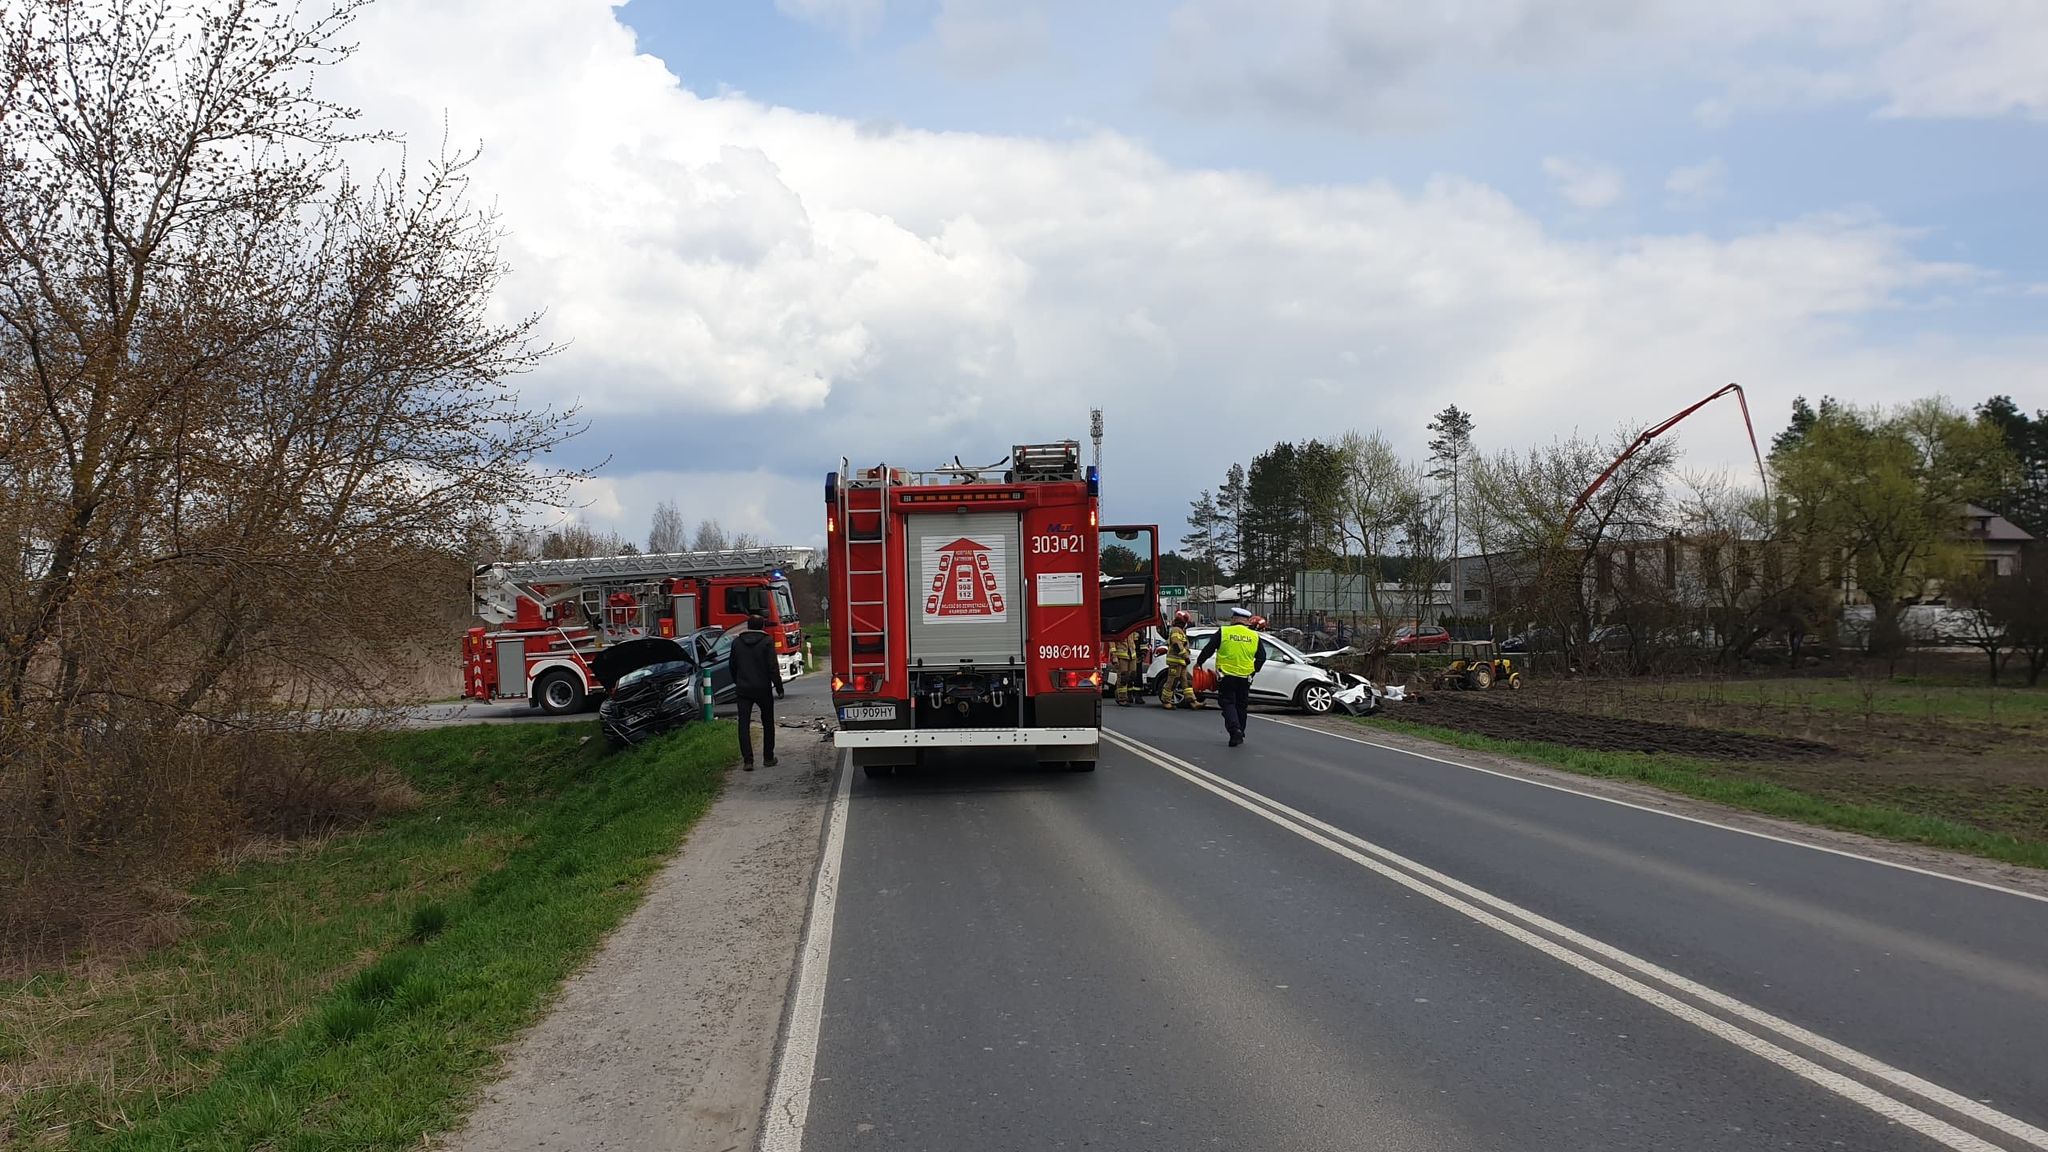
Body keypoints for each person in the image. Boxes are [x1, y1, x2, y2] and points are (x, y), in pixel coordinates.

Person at [1196, 607, 1266, 747]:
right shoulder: (1254, 636)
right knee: (1241, 705)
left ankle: (1235, 730)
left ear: (1234, 619)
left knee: (1228, 703)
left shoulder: (1224, 632)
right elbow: (1262, 657)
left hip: (1226, 675)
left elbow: (1209, 649)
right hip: (1245, 677)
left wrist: (1199, 662)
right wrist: (1253, 671)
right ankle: (1241, 730)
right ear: (1246, 621)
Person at [730, 614, 785, 769]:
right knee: (767, 723)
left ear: (748, 626)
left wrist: (738, 681)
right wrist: (779, 687)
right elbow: (773, 667)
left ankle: (748, 760)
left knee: (743, 724)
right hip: (763, 689)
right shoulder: (767, 642)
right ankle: (768, 757)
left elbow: (732, 666)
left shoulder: (737, 643)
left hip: (743, 689)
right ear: (762, 626)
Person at [1160, 611, 1201, 710]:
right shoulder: (1176, 630)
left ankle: (1192, 701)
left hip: (1180, 661)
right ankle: (1166, 701)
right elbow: (1176, 643)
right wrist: (1185, 656)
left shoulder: (1180, 631)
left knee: (1186, 681)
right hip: (1175, 661)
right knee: (1172, 681)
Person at [1112, 633, 1141, 706]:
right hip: (1121, 655)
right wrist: (1114, 656)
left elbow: (1135, 638)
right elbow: (1112, 642)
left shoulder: (1130, 626)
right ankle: (1122, 698)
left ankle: (1118, 693)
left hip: (1132, 654)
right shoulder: (1117, 627)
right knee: (1123, 677)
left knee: (1132, 675)